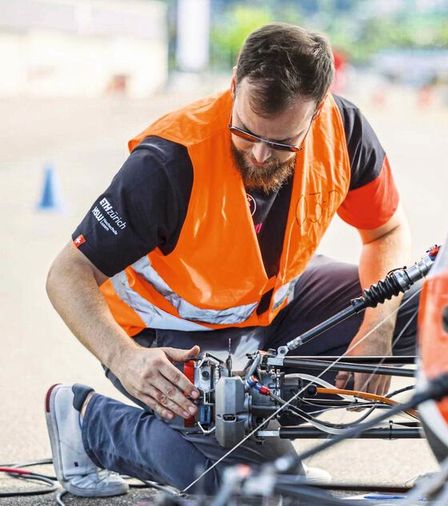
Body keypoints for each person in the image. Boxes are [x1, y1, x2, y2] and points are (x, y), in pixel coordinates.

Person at [44, 23, 417, 497]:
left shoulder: (344, 130)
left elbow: (385, 230)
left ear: (319, 109)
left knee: (436, 300)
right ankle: (89, 424)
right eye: (246, 132)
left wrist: (376, 327)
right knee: (249, 491)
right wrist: (126, 357)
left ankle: (257, 439)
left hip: (273, 312)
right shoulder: (169, 160)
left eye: (282, 142)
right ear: (235, 84)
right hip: (170, 340)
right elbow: (67, 273)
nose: (260, 155)